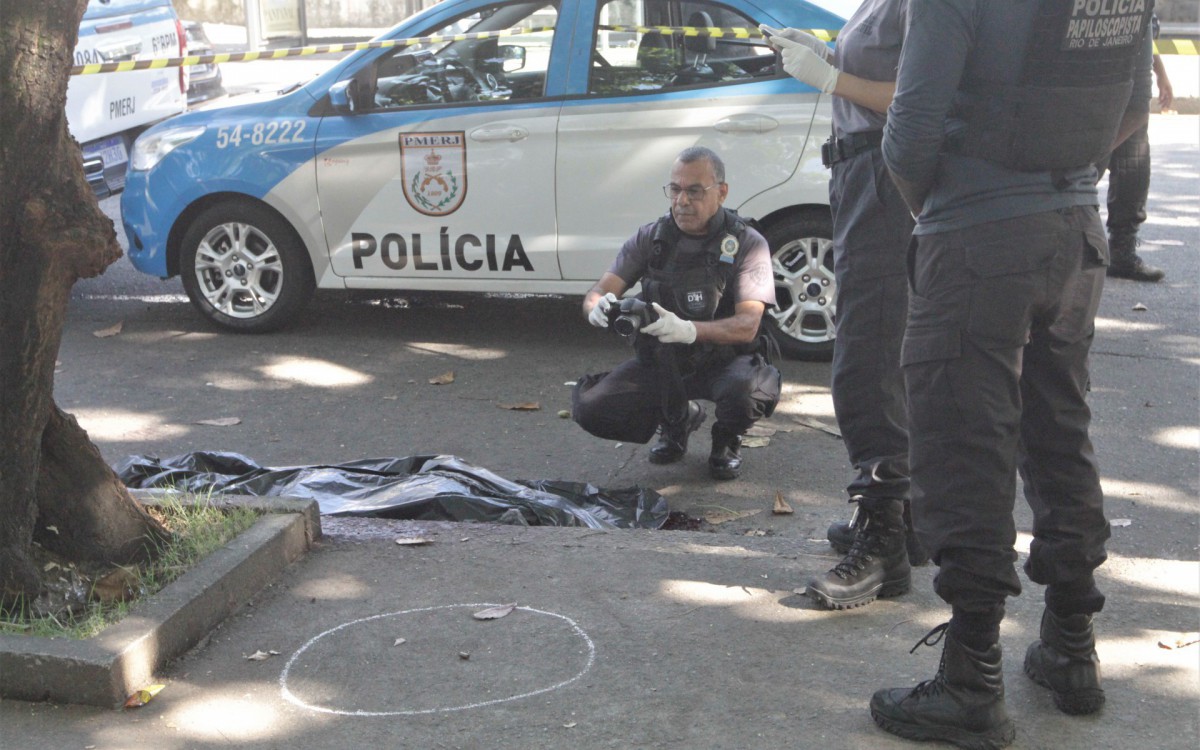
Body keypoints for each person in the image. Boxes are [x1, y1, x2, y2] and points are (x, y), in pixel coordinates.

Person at [870, 0, 1154, 747]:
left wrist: (942, 211)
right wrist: (1069, 179)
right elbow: (1135, 106)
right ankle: (1070, 648)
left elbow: (908, 138)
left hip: (975, 236)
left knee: (964, 447)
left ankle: (971, 681)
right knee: (1059, 428)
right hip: (1073, 235)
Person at [766, 0, 927, 614]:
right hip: (862, 176)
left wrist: (830, 78)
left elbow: (921, 97)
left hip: (883, 180)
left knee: (866, 356)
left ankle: (883, 535)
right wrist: (825, 54)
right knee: (884, 351)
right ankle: (905, 520)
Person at [572, 147, 781, 481]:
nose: (682, 200)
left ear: (721, 192)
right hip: (665, 360)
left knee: (749, 389)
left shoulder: (746, 242)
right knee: (592, 408)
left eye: (694, 191)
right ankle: (677, 421)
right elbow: (599, 291)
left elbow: (747, 326)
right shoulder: (651, 238)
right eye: (676, 189)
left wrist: (689, 330)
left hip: (726, 360)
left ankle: (726, 438)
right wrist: (596, 307)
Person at [1102, 13, 1173, 282]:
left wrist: (1160, 72)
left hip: (1129, 88)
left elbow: (1141, 27)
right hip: (1089, 86)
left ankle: (1122, 249)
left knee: (1134, 166)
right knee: (1076, 170)